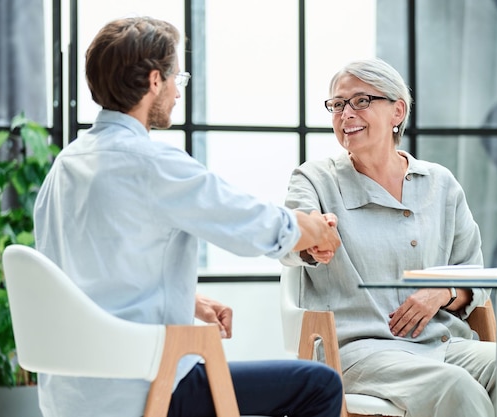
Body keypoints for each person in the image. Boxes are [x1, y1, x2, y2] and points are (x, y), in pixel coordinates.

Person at [32, 16, 343, 417]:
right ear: (154, 81)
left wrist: (186, 300)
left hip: (71, 396)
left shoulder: (67, 164)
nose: (179, 91)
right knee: (319, 385)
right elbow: (252, 225)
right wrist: (313, 228)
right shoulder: (150, 163)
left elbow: (86, 274)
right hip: (147, 387)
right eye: (178, 77)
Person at [280, 58, 497, 417]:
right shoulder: (315, 179)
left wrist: (443, 292)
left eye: (360, 101)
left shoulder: (440, 183)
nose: (345, 113)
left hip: (441, 340)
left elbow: (473, 274)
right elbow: (290, 238)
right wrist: (310, 238)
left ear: (397, 110)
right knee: (457, 387)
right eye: (337, 105)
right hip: (359, 348)